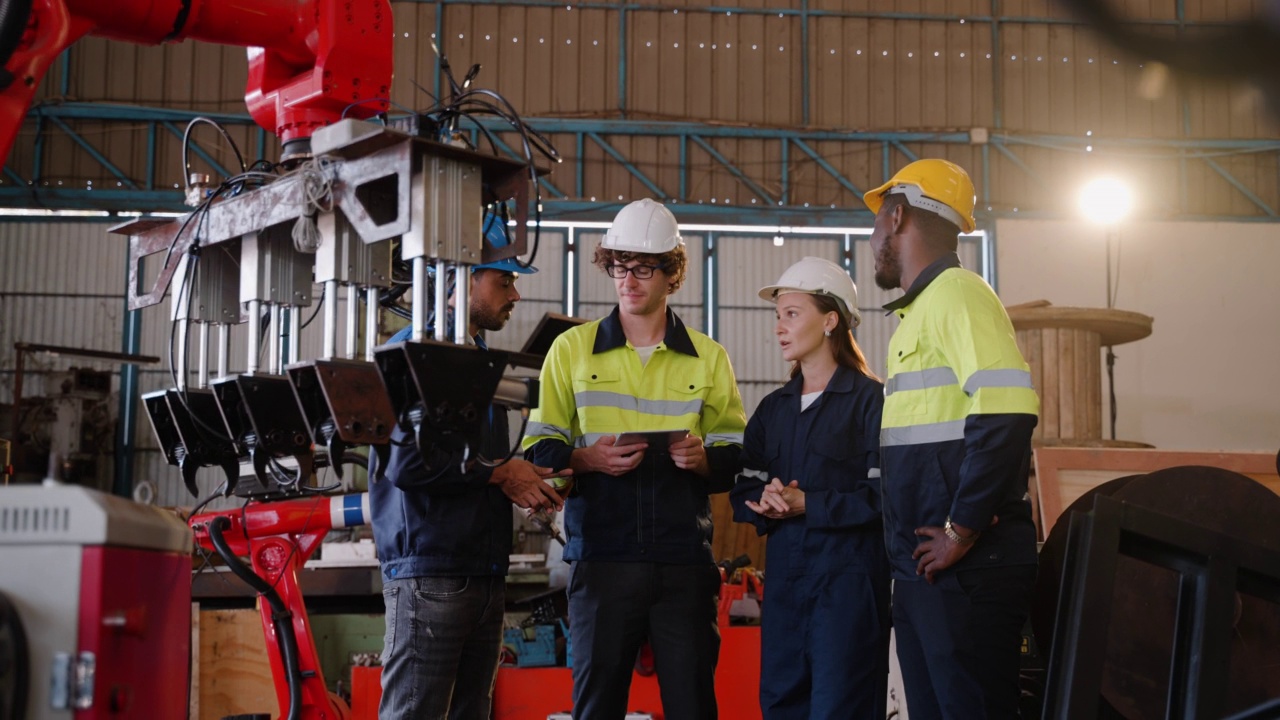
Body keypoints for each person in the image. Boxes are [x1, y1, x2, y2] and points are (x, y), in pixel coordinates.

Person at [522, 198, 747, 720]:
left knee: (693, 707)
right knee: (596, 709)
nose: (629, 279)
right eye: (620, 266)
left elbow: (735, 452)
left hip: (682, 564)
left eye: (644, 268)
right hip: (602, 561)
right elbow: (541, 448)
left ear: (672, 274)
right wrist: (586, 460)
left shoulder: (709, 358)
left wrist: (704, 461)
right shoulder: (571, 351)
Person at [863, 159, 1041, 720]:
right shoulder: (918, 315)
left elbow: (1008, 413)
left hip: (966, 571)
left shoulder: (958, 295)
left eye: (873, 226)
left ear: (895, 216)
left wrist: (960, 530)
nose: (871, 243)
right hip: (929, 571)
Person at [371, 213, 566, 720]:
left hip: (481, 570)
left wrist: (518, 476)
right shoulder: (413, 354)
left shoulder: (477, 360)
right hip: (430, 570)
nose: (514, 295)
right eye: (504, 281)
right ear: (461, 277)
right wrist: (501, 473)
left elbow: (474, 462)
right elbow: (408, 465)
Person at [728, 257, 890, 720]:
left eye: (792, 314)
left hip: (848, 592)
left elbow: (886, 499)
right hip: (785, 589)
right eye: (777, 316)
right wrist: (765, 502)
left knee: (843, 708)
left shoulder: (871, 404)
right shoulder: (773, 409)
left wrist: (808, 504)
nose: (779, 327)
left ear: (831, 320)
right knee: (781, 704)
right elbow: (744, 486)